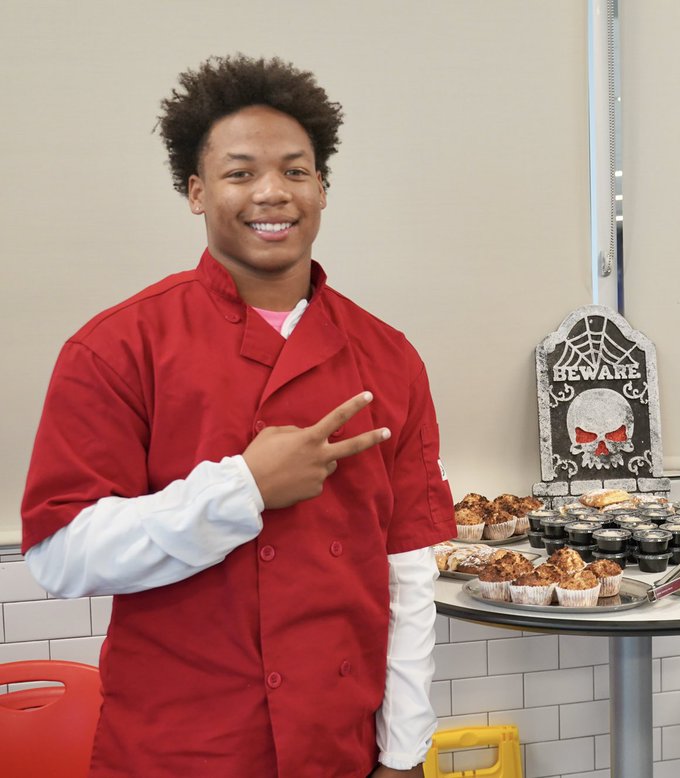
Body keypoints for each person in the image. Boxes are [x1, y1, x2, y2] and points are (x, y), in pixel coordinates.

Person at [20, 55, 456, 777]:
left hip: (338, 747)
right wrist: (243, 488)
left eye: (295, 170)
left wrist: (405, 747)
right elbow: (62, 556)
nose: (272, 193)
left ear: (322, 187)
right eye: (240, 172)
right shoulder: (119, 346)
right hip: (179, 747)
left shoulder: (389, 356)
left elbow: (407, 569)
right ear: (195, 192)